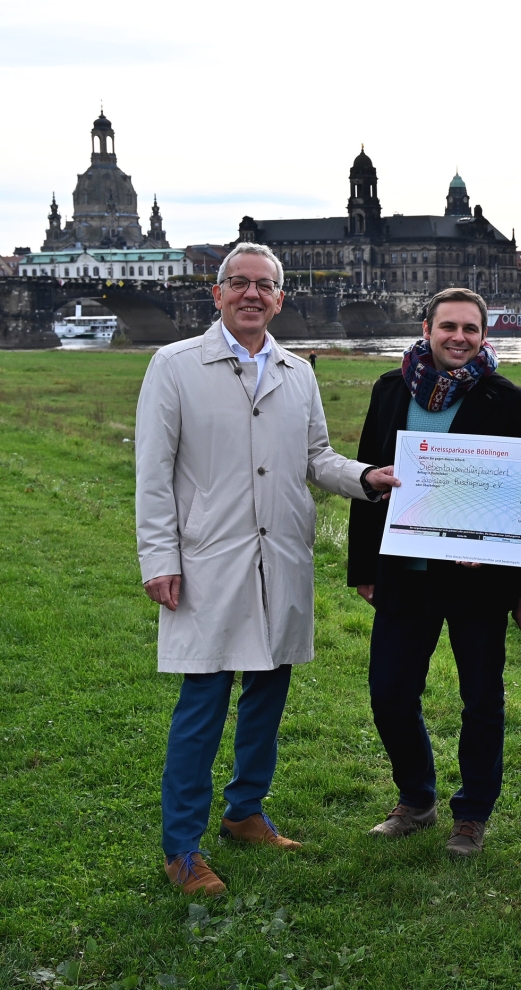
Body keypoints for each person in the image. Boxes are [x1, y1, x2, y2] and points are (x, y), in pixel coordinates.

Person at [136, 242, 397, 896]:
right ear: (217, 293)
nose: (253, 294)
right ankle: (181, 848)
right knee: (203, 702)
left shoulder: (296, 371)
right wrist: (159, 559)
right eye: (240, 283)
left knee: (268, 691)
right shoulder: (174, 366)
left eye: (265, 286)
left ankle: (246, 811)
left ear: (281, 299)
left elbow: (316, 457)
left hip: (279, 556)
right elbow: (153, 476)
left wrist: (366, 477)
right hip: (208, 560)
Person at [347, 288, 521, 857]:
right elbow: (367, 476)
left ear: (485, 335)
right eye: (447, 326)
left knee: (481, 698)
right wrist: (363, 566)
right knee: (389, 693)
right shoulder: (389, 390)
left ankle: (472, 813)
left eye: (470, 329)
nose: (459, 338)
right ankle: (417, 798)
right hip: (405, 571)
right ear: (426, 327)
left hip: (479, 577)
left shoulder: (508, 399)